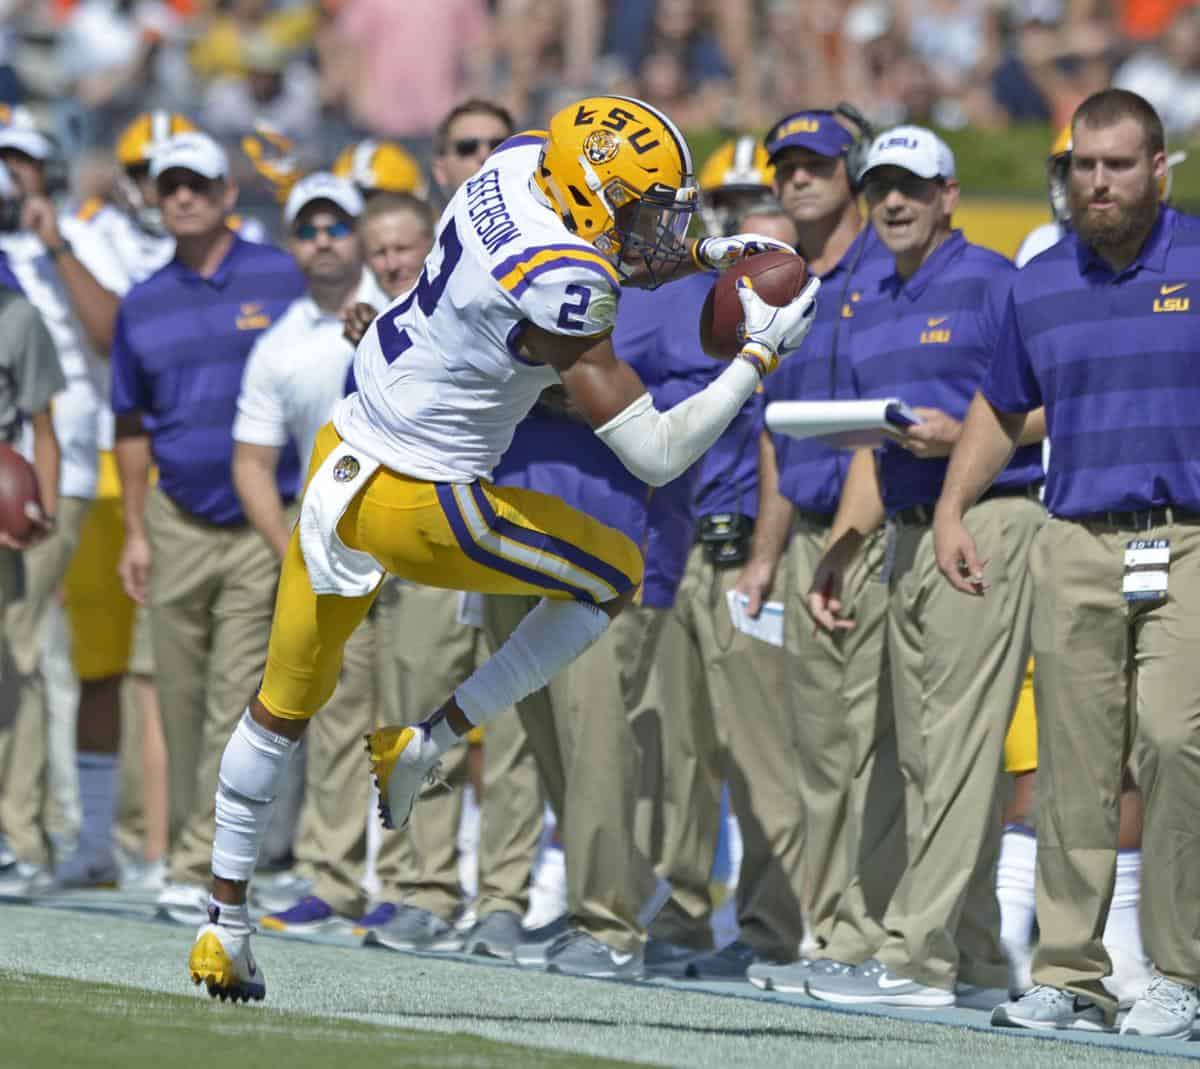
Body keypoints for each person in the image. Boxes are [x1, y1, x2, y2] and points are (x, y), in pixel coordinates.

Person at [184, 93, 817, 1003]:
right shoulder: (563, 277)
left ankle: (224, 925)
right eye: (648, 208)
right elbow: (657, 451)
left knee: (279, 707)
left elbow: (627, 245)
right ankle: (429, 741)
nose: (663, 226)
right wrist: (757, 357)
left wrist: (715, 252)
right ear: (591, 197)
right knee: (617, 576)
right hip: (424, 498)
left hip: (342, 453)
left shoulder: (517, 161)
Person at [938, 88, 1200, 1040]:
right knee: (1074, 764)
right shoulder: (1038, 280)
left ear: (1159, 168)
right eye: (1084, 165)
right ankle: (1069, 974)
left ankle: (1180, 970)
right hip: (1074, 537)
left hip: (1188, 535)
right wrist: (952, 505)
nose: (1098, 182)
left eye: (1119, 165)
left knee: (1173, 741)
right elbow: (1002, 408)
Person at [805, 125, 1046, 1008]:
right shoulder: (873, 291)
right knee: (917, 757)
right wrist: (844, 546)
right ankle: (979, 958)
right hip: (902, 533)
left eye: (912, 185)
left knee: (952, 747)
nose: (893, 202)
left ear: (950, 194)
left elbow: (1056, 400)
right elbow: (876, 440)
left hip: (986, 520)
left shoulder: (995, 280)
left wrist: (969, 438)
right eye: (880, 188)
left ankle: (917, 957)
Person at [111, 131, 307, 925]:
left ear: (229, 193)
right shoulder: (143, 300)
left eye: (196, 184)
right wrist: (133, 528)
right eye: (169, 188)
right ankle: (201, 848)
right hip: (176, 517)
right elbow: (131, 423)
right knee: (182, 697)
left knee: (236, 694)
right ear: (154, 202)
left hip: (265, 513)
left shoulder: (281, 275)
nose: (182, 198)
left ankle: (204, 859)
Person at [732, 108, 906, 993]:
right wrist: (766, 556)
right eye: (787, 165)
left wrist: (841, 541)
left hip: (875, 535)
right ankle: (834, 927)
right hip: (806, 536)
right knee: (819, 747)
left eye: (817, 163)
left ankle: (863, 935)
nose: (798, 178)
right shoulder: (784, 280)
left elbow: (888, 424)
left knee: (873, 741)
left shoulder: (892, 270)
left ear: (855, 173)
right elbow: (775, 432)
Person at [0, 114, 129, 888]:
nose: (12, 176)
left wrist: (56, 244)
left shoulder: (85, 236)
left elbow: (113, 334)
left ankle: (26, 834)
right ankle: (37, 828)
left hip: (58, 473)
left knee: (27, 652)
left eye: (24, 161)